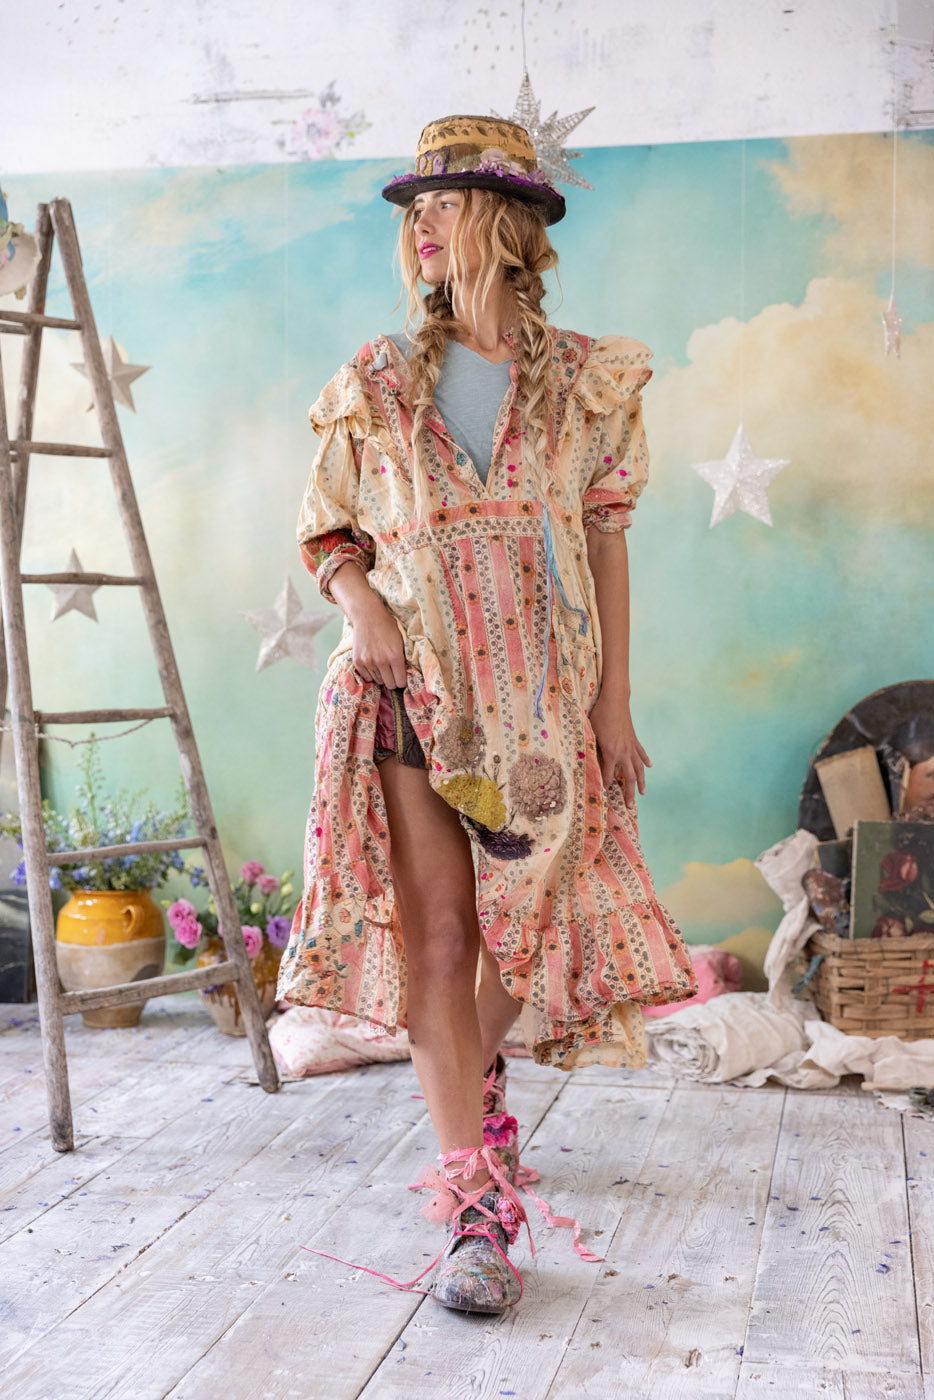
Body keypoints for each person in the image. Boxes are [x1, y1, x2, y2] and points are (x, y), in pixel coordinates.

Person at [277, 114, 698, 1314]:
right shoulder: (376, 379)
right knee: (443, 939)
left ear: (505, 222)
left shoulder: (583, 381)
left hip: (540, 701)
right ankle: (473, 1206)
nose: (422, 225)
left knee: (541, 920)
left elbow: (607, 540)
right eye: (413, 209)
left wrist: (613, 701)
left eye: (444, 203)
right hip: (409, 696)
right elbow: (326, 527)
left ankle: (477, 1073)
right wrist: (362, 604)